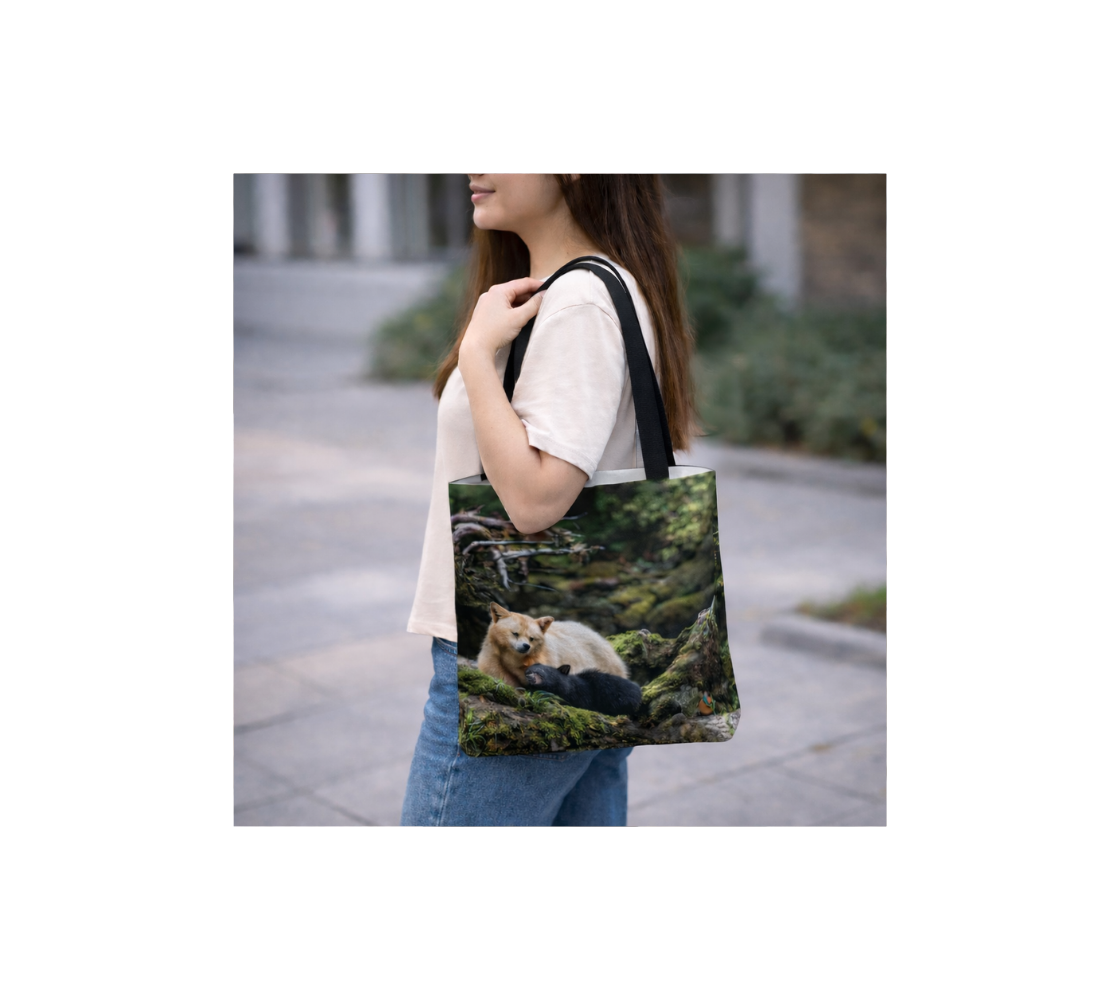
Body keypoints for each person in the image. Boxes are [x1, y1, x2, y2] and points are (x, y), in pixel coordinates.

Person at [401, 174, 698, 826]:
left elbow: (535, 502)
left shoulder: (576, 303)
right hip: (573, 659)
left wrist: (478, 355)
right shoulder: (588, 290)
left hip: (524, 668)